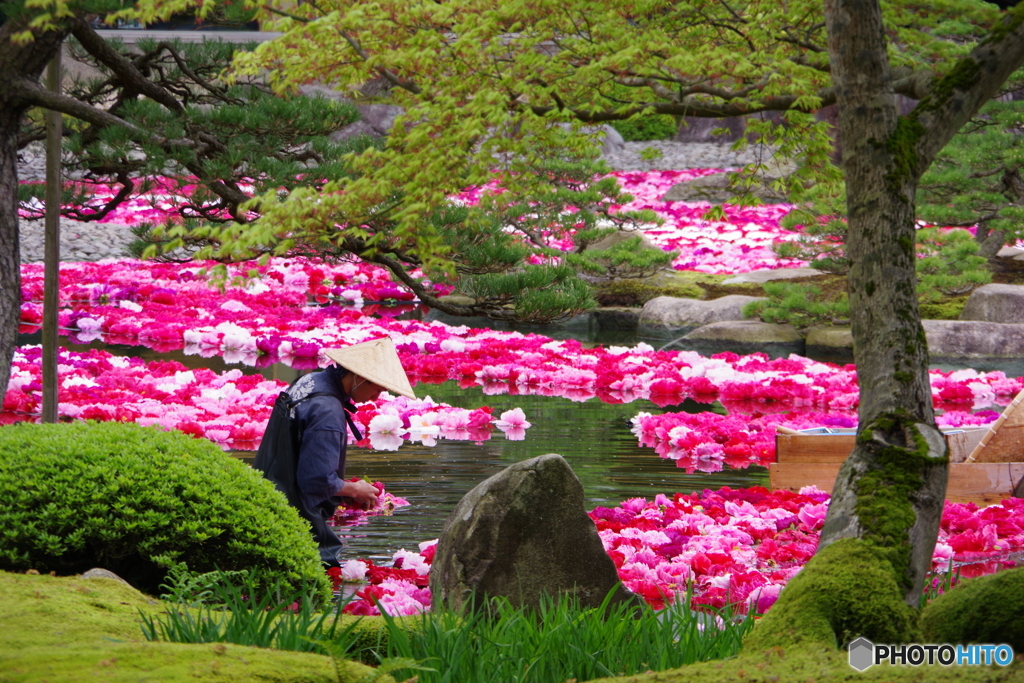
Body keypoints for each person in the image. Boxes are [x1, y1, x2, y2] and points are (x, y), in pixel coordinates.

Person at [253, 337, 416, 567]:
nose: (376, 398)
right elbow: (317, 481)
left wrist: (345, 490)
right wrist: (354, 490)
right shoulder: (328, 412)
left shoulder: (310, 381)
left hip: (269, 495)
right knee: (325, 579)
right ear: (359, 376)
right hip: (296, 517)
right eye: (376, 389)